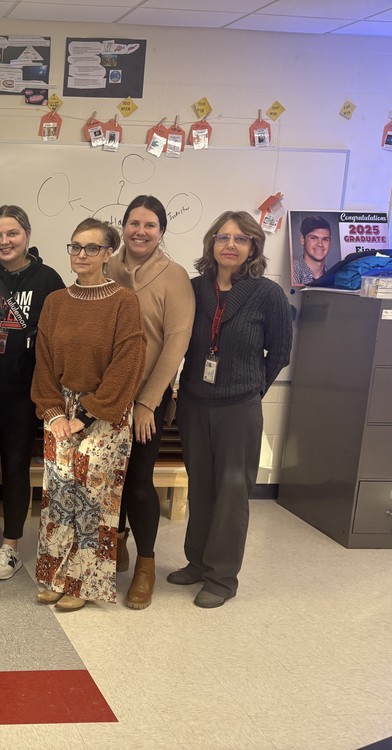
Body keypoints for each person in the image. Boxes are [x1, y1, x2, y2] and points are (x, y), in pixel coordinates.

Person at [169, 211, 292, 608]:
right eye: (223, 237)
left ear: (253, 247)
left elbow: (280, 352)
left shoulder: (267, 294)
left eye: (241, 239)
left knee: (232, 492)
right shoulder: (194, 289)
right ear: (212, 243)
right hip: (193, 403)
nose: (230, 245)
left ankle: (222, 578)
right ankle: (197, 562)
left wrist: (252, 389)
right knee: (200, 486)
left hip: (239, 408)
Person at [31, 218, 146, 612]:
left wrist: (88, 413)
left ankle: (82, 583)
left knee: (93, 499)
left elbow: (128, 361)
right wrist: (53, 412)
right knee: (60, 496)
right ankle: (55, 576)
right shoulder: (55, 302)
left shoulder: (124, 302)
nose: (81, 254)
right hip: (60, 410)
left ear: (108, 253)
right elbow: (44, 361)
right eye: (75, 246)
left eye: (92, 248)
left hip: (105, 412)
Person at [0, 205, 65, 581]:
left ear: (27, 236)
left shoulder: (48, 280)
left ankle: (10, 547)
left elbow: (56, 339)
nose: (4, 241)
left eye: (12, 234)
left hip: (22, 393)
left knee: (16, 467)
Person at [107, 196, 195, 609]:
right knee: (108, 478)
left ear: (161, 232)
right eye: (134, 223)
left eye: (150, 225)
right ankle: (116, 542)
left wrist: (147, 402)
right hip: (106, 397)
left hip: (147, 398)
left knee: (138, 481)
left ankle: (145, 564)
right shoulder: (106, 266)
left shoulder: (174, 276)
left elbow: (176, 343)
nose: (140, 231)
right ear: (122, 226)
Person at [292, 215, 333, 285]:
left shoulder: (334, 274)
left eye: (325, 239)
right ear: (302, 240)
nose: (320, 244)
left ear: (330, 243)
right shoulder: (293, 271)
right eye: (313, 238)